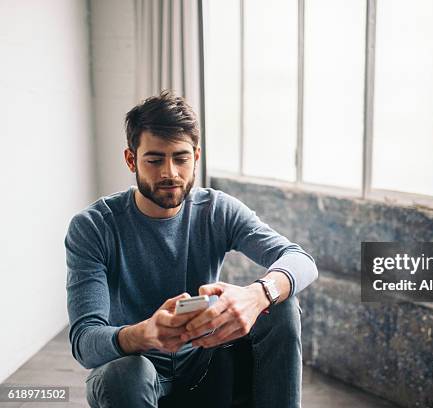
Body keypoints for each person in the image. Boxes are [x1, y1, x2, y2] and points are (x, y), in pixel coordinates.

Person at [65, 91, 318, 408]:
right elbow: (85, 342)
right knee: (127, 372)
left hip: (206, 361)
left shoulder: (215, 210)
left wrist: (257, 294)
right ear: (131, 159)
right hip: (136, 373)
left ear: (196, 157)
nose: (170, 172)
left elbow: (301, 260)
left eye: (181, 158)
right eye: (155, 160)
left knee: (281, 304)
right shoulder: (93, 227)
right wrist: (143, 333)